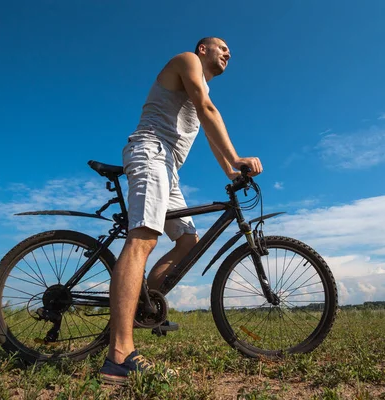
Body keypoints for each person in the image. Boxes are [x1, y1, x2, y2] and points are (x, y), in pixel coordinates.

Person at [99, 37, 263, 384]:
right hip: (150, 151)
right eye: (223, 48)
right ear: (203, 49)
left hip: (167, 167)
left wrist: (233, 173)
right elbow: (207, 110)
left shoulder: (200, 88)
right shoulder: (187, 61)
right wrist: (237, 157)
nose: (228, 54)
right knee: (143, 239)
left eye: (231, 52)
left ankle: (144, 307)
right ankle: (119, 355)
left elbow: (209, 133)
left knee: (189, 241)